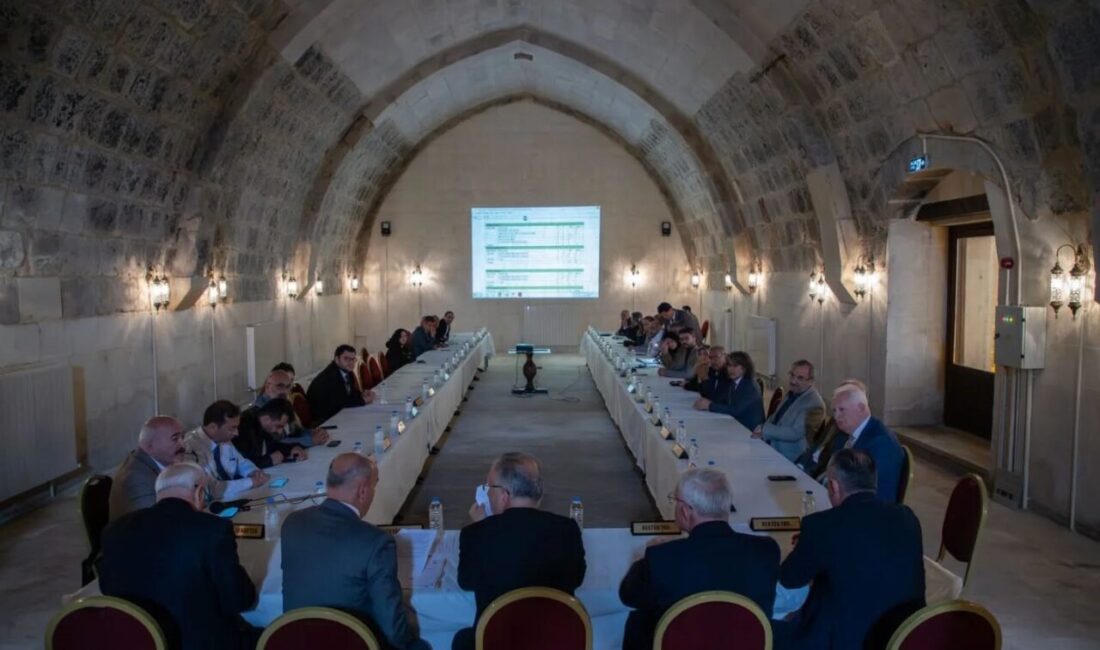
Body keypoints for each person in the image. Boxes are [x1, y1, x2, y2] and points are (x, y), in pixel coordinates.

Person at [99, 462, 257, 650]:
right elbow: (239, 600)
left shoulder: (114, 530)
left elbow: (107, 589)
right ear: (199, 492)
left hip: (134, 640)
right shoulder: (212, 529)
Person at [779, 449, 925, 650]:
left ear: (834, 486)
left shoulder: (822, 526)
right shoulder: (907, 517)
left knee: (771, 626)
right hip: (906, 636)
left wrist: (809, 548)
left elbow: (789, 578)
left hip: (848, 640)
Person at [619, 468, 780, 650]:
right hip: (743, 643)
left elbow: (628, 596)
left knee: (638, 621)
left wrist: (642, 559)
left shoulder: (662, 557)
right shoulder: (767, 550)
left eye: (675, 500)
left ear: (686, 511)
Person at [282, 453, 430, 650]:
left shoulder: (293, 523)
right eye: (374, 486)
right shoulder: (376, 542)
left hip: (299, 642)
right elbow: (392, 626)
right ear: (362, 491)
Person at [453, 452, 586, 650]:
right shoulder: (567, 529)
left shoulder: (476, 534)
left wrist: (483, 527)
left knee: (462, 640)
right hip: (555, 641)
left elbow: (466, 581)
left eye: (489, 488)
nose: (487, 493)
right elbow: (577, 578)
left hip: (497, 642)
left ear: (504, 495)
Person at [829, 385, 905, 502]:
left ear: (861, 408)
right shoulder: (844, 434)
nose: (836, 416)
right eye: (834, 411)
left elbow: (877, 493)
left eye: (842, 410)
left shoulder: (880, 443)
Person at [184, 400, 268, 500]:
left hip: (233, 498)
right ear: (213, 427)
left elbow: (240, 462)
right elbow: (211, 490)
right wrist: (251, 482)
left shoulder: (223, 439)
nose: (236, 433)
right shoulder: (190, 448)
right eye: (232, 428)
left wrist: (254, 472)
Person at [108, 416, 186, 521]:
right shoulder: (138, 480)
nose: (183, 444)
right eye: (175, 439)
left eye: (183, 437)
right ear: (150, 446)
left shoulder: (149, 460)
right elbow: (152, 526)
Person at [751, 360, 826, 463]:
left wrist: (765, 430)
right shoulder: (793, 392)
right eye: (792, 375)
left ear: (811, 381)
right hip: (770, 446)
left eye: (800, 378)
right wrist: (762, 432)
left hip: (790, 458)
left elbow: (795, 433)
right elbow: (775, 418)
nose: (793, 381)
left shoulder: (814, 403)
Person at [794, 379, 865, 479]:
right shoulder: (833, 421)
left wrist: (809, 475)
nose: (837, 414)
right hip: (808, 469)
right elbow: (817, 445)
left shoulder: (852, 433)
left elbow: (830, 467)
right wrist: (800, 465)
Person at [253, 370, 328, 447]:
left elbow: (295, 431)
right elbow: (274, 442)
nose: (285, 391)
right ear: (268, 387)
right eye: (280, 386)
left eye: (288, 387)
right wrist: (310, 441)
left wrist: (312, 433)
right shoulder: (258, 411)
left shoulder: (284, 405)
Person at [694, 351, 764, 431]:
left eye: (735, 366)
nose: (731, 369)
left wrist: (709, 405)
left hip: (749, 430)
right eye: (729, 366)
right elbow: (720, 399)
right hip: (735, 424)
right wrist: (706, 401)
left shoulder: (750, 386)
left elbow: (735, 410)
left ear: (745, 368)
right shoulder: (734, 382)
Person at [306, 344, 376, 424]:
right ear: (336, 359)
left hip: (337, 413)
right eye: (346, 358)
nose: (350, 362)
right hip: (325, 420)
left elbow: (350, 393)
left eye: (353, 359)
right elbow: (340, 403)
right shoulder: (330, 376)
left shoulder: (347, 372)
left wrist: (362, 393)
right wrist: (363, 400)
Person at [235, 398, 307, 469]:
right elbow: (239, 466)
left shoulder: (263, 425)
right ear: (266, 419)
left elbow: (274, 446)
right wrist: (269, 460)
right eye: (278, 426)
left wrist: (293, 448)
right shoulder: (244, 429)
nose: (280, 431)